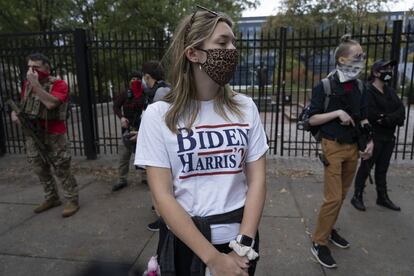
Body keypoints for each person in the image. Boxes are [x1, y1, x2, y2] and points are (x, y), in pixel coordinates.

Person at [134, 7, 268, 276]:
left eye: (233, 42)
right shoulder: (158, 115)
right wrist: (214, 259)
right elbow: (162, 197)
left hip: (240, 242)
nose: (232, 49)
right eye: (222, 42)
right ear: (193, 53)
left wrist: (242, 246)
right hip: (187, 244)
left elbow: (257, 180)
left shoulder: (245, 107)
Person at [307, 35, 374, 268]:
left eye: (363, 57)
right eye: (358, 56)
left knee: (342, 196)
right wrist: (336, 113)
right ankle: (319, 241)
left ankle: (329, 229)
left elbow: (363, 117)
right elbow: (311, 118)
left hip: (353, 148)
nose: (362, 60)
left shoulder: (360, 86)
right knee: (333, 197)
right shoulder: (324, 86)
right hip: (332, 146)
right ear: (342, 59)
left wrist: (370, 141)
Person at [11, 53, 79, 217]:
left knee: (61, 168)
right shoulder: (27, 85)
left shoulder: (59, 84)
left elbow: (50, 103)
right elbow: (23, 105)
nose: (31, 71)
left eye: (35, 67)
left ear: (46, 68)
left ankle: (72, 200)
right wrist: (16, 114)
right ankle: (52, 197)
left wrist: (36, 85)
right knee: (39, 168)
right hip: (33, 134)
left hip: (54, 135)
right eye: (29, 67)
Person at [351, 60, 405, 211]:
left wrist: (386, 118)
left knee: (382, 169)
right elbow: (371, 115)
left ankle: (382, 197)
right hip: (374, 137)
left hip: (389, 137)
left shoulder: (390, 91)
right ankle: (357, 196)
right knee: (366, 166)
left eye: (390, 69)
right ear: (375, 72)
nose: (389, 71)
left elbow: (401, 112)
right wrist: (388, 117)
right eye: (385, 69)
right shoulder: (367, 91)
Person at [140, 61, 171, 231]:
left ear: (147, 76)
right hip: (157, 140)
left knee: (158, 183)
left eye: (142, 76)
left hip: (159, 142)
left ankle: (164, 219)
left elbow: (162, 120)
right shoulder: (159, 90)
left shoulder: (161, 92)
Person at [112, 71, 145, 192]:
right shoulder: (125, 94)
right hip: (127, 129)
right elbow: (115, 106)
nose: (134, 81)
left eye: (137, 78)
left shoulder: (145, 94)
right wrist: (121, 117)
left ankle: (146, 177)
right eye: (132, 79)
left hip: (143, 129)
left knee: (143, 155)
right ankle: (122, 179)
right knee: (124, 155)